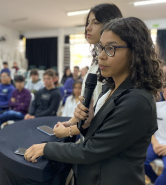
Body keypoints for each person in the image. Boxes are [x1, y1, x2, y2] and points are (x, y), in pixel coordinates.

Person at [24, 17, 164, 185]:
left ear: (136, 52)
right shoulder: (109, 88)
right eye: (101, 48)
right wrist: (87, 123)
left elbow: (91, 150)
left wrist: (46, 148)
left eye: (111, 48)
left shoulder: (138, 100)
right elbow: (103, 136)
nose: (101, 56)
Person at [55, 3, 123, 138]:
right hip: (86, 135)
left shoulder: (112, 67)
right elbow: (87, 109)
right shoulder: (96, 62)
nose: (88, 27)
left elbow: (103, 119)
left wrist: (68, 131)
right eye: (87, 23)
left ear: (111, 25)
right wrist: (70, 123)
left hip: (99, 140)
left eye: (96, 22)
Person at [0, 75, 31, 154]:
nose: (19, 84)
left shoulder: (27, 93)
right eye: (17, 82)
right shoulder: (15, 91)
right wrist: (17, 103)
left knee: (10, 112)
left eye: (20, 82)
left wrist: (15, 103)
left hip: (21, 114)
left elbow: (25, 106)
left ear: (23, 83)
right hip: (11, 112)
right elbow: (10, 103)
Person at [145, 82, 166, 185]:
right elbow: (150, 128)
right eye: (165, 89)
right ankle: (155, 180)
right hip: (155, 143)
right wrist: (155, 143)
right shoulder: (156, 107)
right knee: (141, 162)